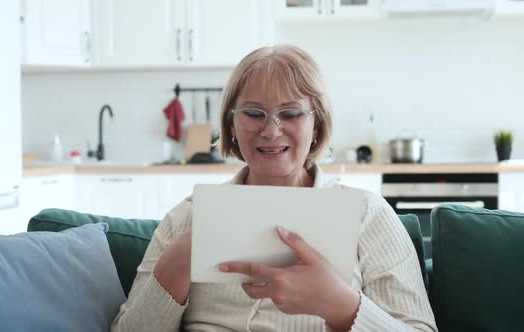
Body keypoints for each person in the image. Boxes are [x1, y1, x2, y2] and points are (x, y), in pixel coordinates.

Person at [111, 45, 437, 332]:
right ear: (232, 126)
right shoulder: (186, 219)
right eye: (254, 114)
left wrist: (340, 305)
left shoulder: (368, 216)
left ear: (316, 124)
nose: (271, 130)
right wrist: (180, 261)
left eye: (291, 113)